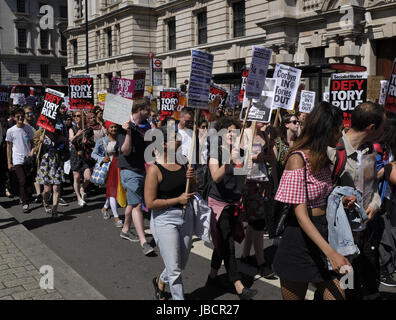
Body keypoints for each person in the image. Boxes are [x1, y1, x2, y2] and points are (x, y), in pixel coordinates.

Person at [273, 102, 353, 300]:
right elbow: (300, 215)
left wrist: (339, 203)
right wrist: (331, 253)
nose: (341, 136)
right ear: (327, 130)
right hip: (299, 240)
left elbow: (322, 199)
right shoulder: (297, 159)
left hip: (324, 233)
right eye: (339, 130)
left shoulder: (325, 158)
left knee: (339, 295)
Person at [327, 102, 385, 299]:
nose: (384, 131)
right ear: (371, 127)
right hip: (339, 238)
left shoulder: (368, 150)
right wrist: (341, 201)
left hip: (361, 233)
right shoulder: (334, 150)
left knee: (353, 282)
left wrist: (374, 205)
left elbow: (372, 185)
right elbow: (321, 194)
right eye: (382, 126)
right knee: (342, 285)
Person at [206, 117, 258, 300]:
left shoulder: (241, 152)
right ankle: (238, 285)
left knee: (222, 241)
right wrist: (229, 158)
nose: (231, 134)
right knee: (227, 244)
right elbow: (216, 177)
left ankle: (212, 276)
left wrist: (246, 164)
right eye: (227, 130)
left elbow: (240, 179)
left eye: (234, 131)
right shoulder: (216, 151)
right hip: (218, 204)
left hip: (233, 204)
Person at [145, 125, 197, 300]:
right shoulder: (155, 169)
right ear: (164, 144)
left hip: (186, 216)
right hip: (164, 219)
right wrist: (177, 200)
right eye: (175, 137)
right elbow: (150, 203)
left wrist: (193, 178)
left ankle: (160, 280)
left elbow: (193, 189)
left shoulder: (183, 161)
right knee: (175, 270)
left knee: (180, 263)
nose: (180, 139)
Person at [240, 122, 278, 278]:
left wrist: (270, 148)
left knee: (254, 220)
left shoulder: (264, 134)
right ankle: (261, 262)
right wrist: (256, 157)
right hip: (248, 181)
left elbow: (273, 161)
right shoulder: (243, 133)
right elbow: (237, 159)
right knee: (259, 223)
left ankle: (245, 255)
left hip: (263, 180)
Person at [118, 98, 154, 255]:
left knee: (132, 204)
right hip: (129, 170)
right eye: (148, 109)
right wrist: (127, 132)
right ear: (140, 110)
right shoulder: (124, 125)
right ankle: (144, 242)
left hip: (142, 169)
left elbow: (152, 149)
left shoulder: (145, 126)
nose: (150, 112)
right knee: (138, 205)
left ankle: (125, 229)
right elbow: (125, 151)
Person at [92, 121, 123, 227]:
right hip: (108, 169)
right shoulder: (102, 141)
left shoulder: (121, 138)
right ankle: (116, 217)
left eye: (115, 127)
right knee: (112, 191)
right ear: (107, 128)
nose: (114, 129)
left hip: (119, 168)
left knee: (112, 191)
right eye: (111, 127)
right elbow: (93, 154)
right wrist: (101, 159)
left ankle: (105, 208)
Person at [6, 108, 35, 213]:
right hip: (17, 160)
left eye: (22, 116)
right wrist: (9, 162)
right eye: (18, 116)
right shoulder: (11, 131)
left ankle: (23, 196)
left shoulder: (29, 129)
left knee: (27, 182)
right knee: (22, 180)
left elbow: (33, 143)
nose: (20, 118)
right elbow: (8, 147)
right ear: (14, 118)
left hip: (27, 159)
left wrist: (32, 152)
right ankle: (25, 203)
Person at [35, 128, 66, 219]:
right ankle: (45, 201)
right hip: (46, 164)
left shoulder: (57, 132)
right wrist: (40, 142)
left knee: (56, 188)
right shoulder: (39, 133)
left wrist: (63, 140)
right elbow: (35, 149)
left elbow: (64, 142)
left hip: (56, 163)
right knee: (47, 190)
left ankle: (54, 210)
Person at [69, 111, 95, 207]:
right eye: (75, 116)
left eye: (78, 115)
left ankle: (82, 188)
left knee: (88, 177)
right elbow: (71, 140)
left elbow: (93, 142)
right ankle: (78, 197)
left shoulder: (88, 129)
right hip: (75, 154)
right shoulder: (72, 129)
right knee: (77, 177)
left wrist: (87, 141)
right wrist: (77, 134)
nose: (76, 117)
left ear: (83, 117)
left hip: (85, 154)